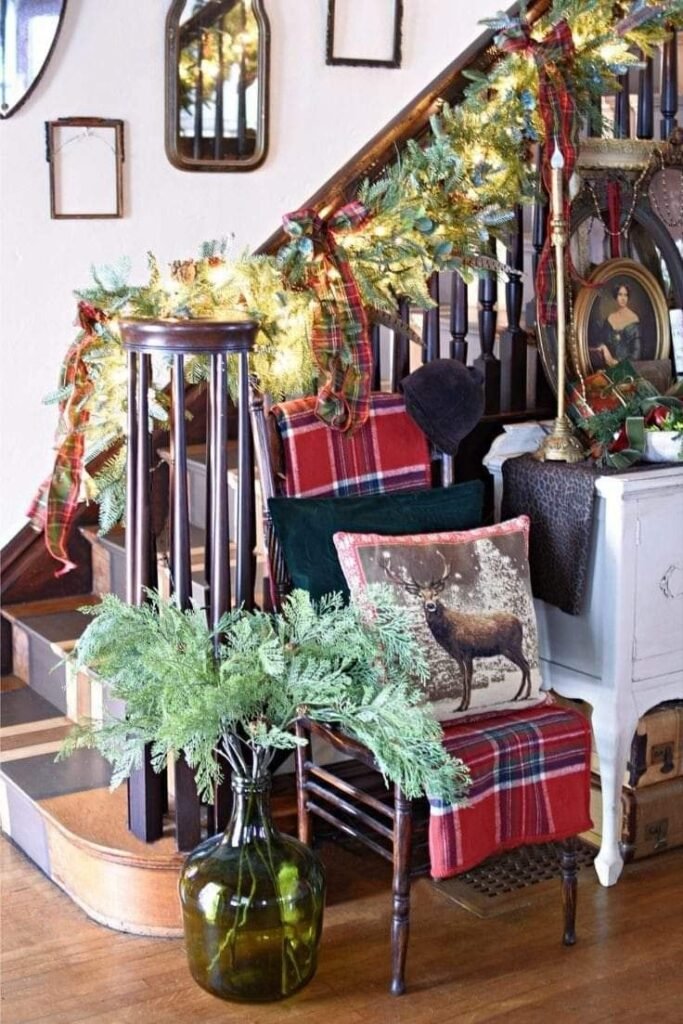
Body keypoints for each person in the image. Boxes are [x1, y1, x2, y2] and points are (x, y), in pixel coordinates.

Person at [590, 282, 642, 369]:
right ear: (616, 297)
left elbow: (637, 353)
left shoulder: (634, 318)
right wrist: (603, 347)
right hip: (607, 365)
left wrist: (617, 362)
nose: (623, 298)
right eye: (620, 295)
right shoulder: (610, 318)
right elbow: (601, 340)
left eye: (625, 295)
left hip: (627, 367)